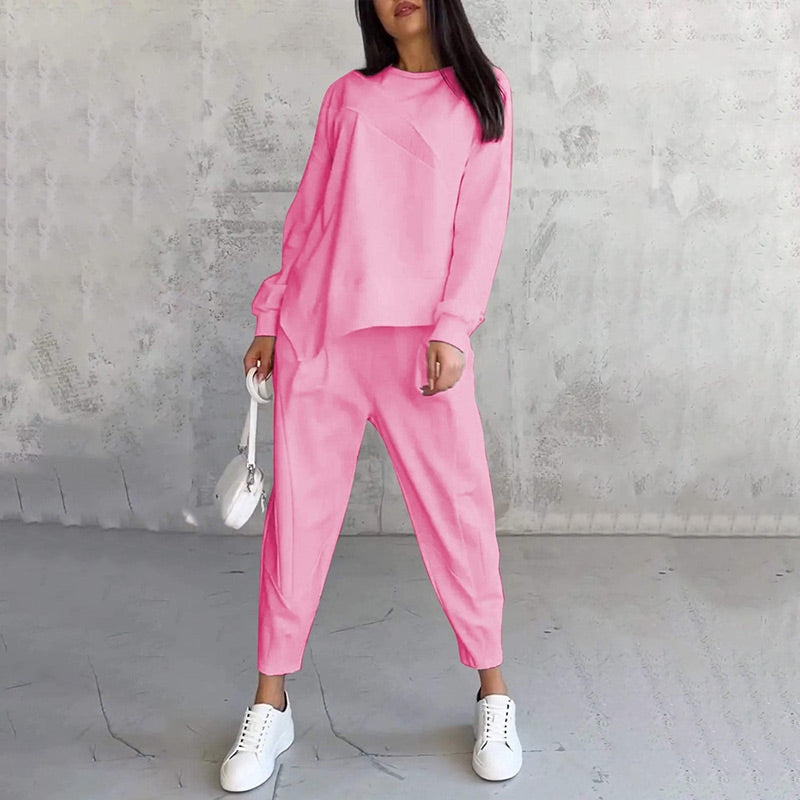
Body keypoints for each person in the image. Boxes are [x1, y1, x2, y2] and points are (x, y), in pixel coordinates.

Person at [220, 0, 521, 790]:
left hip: (421, 346)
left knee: (458, 510)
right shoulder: (348, 96)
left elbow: (481, 223)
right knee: (297, 520)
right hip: (321, 334)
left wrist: (454, 326)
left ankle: (493, 692)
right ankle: (270, 703)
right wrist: (270, 314)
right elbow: (311, 213)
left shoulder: (483, 93)